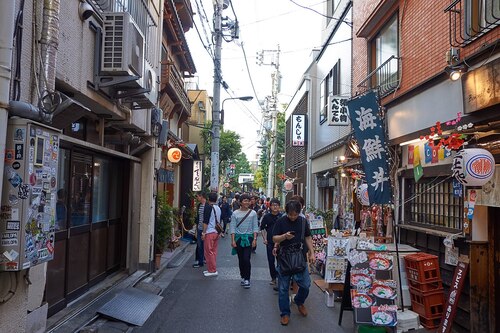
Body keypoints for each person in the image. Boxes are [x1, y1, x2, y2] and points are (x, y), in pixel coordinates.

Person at [272, 200, 315, 326]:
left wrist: (312, 253)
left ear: (299, 212)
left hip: (300, 257)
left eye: (295, 214)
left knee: (306, 285)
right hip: (284, 258)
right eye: (290, 214)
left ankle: (299, 300)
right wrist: (284, 236)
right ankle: (285, 313)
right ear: (286, 212)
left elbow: (308, 237)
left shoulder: (303, 221)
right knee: (283, 288)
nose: (292, 217)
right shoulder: (280, 221)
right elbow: (274, 238)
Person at [230, 193, 259, 289]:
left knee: (247, 259)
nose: (247, 202)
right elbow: (232, 227)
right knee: (241, 259)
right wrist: (233, 240)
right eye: (245, 200)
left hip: (249, 238)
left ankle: (247, 279)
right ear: (240, 202)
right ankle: (242, 276)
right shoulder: (235, 213)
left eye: (248, 200)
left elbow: (255, 227)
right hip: (238, 238)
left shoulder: (253, 213)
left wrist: (255, 239)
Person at [260, 198, 282, 289]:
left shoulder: (282, 217)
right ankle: (273, 278)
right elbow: (262, 228)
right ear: (270, 206)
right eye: (273, 205)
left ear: (279, 206)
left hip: (281, 242)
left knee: (280, 261)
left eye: (277, 205)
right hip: (270, 241)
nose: (275, 207)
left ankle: (280, 277)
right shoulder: (267, 217)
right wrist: (264, 239)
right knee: (271, 260)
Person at [202, 192, 221, 277]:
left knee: (208, 252)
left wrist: (203, 232)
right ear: (216, 199)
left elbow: (205, 222)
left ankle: (212, 270)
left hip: (209, 232)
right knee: (213, 251)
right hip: (216, 232)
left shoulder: (208, 207)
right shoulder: (218, 208)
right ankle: (211, 269)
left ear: (208, 199)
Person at [193, 192, 210, 268]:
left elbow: (207, 220)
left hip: (206, 229)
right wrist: (196, 230)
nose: (197, 198)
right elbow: (198, 218)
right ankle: (201, 261)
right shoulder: (199, 205)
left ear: (202, 196)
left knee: (205, 246)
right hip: (199, 228)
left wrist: (204, 231)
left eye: (197, 197)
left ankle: (204, 259)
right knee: (199, 245)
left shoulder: (208, 206)